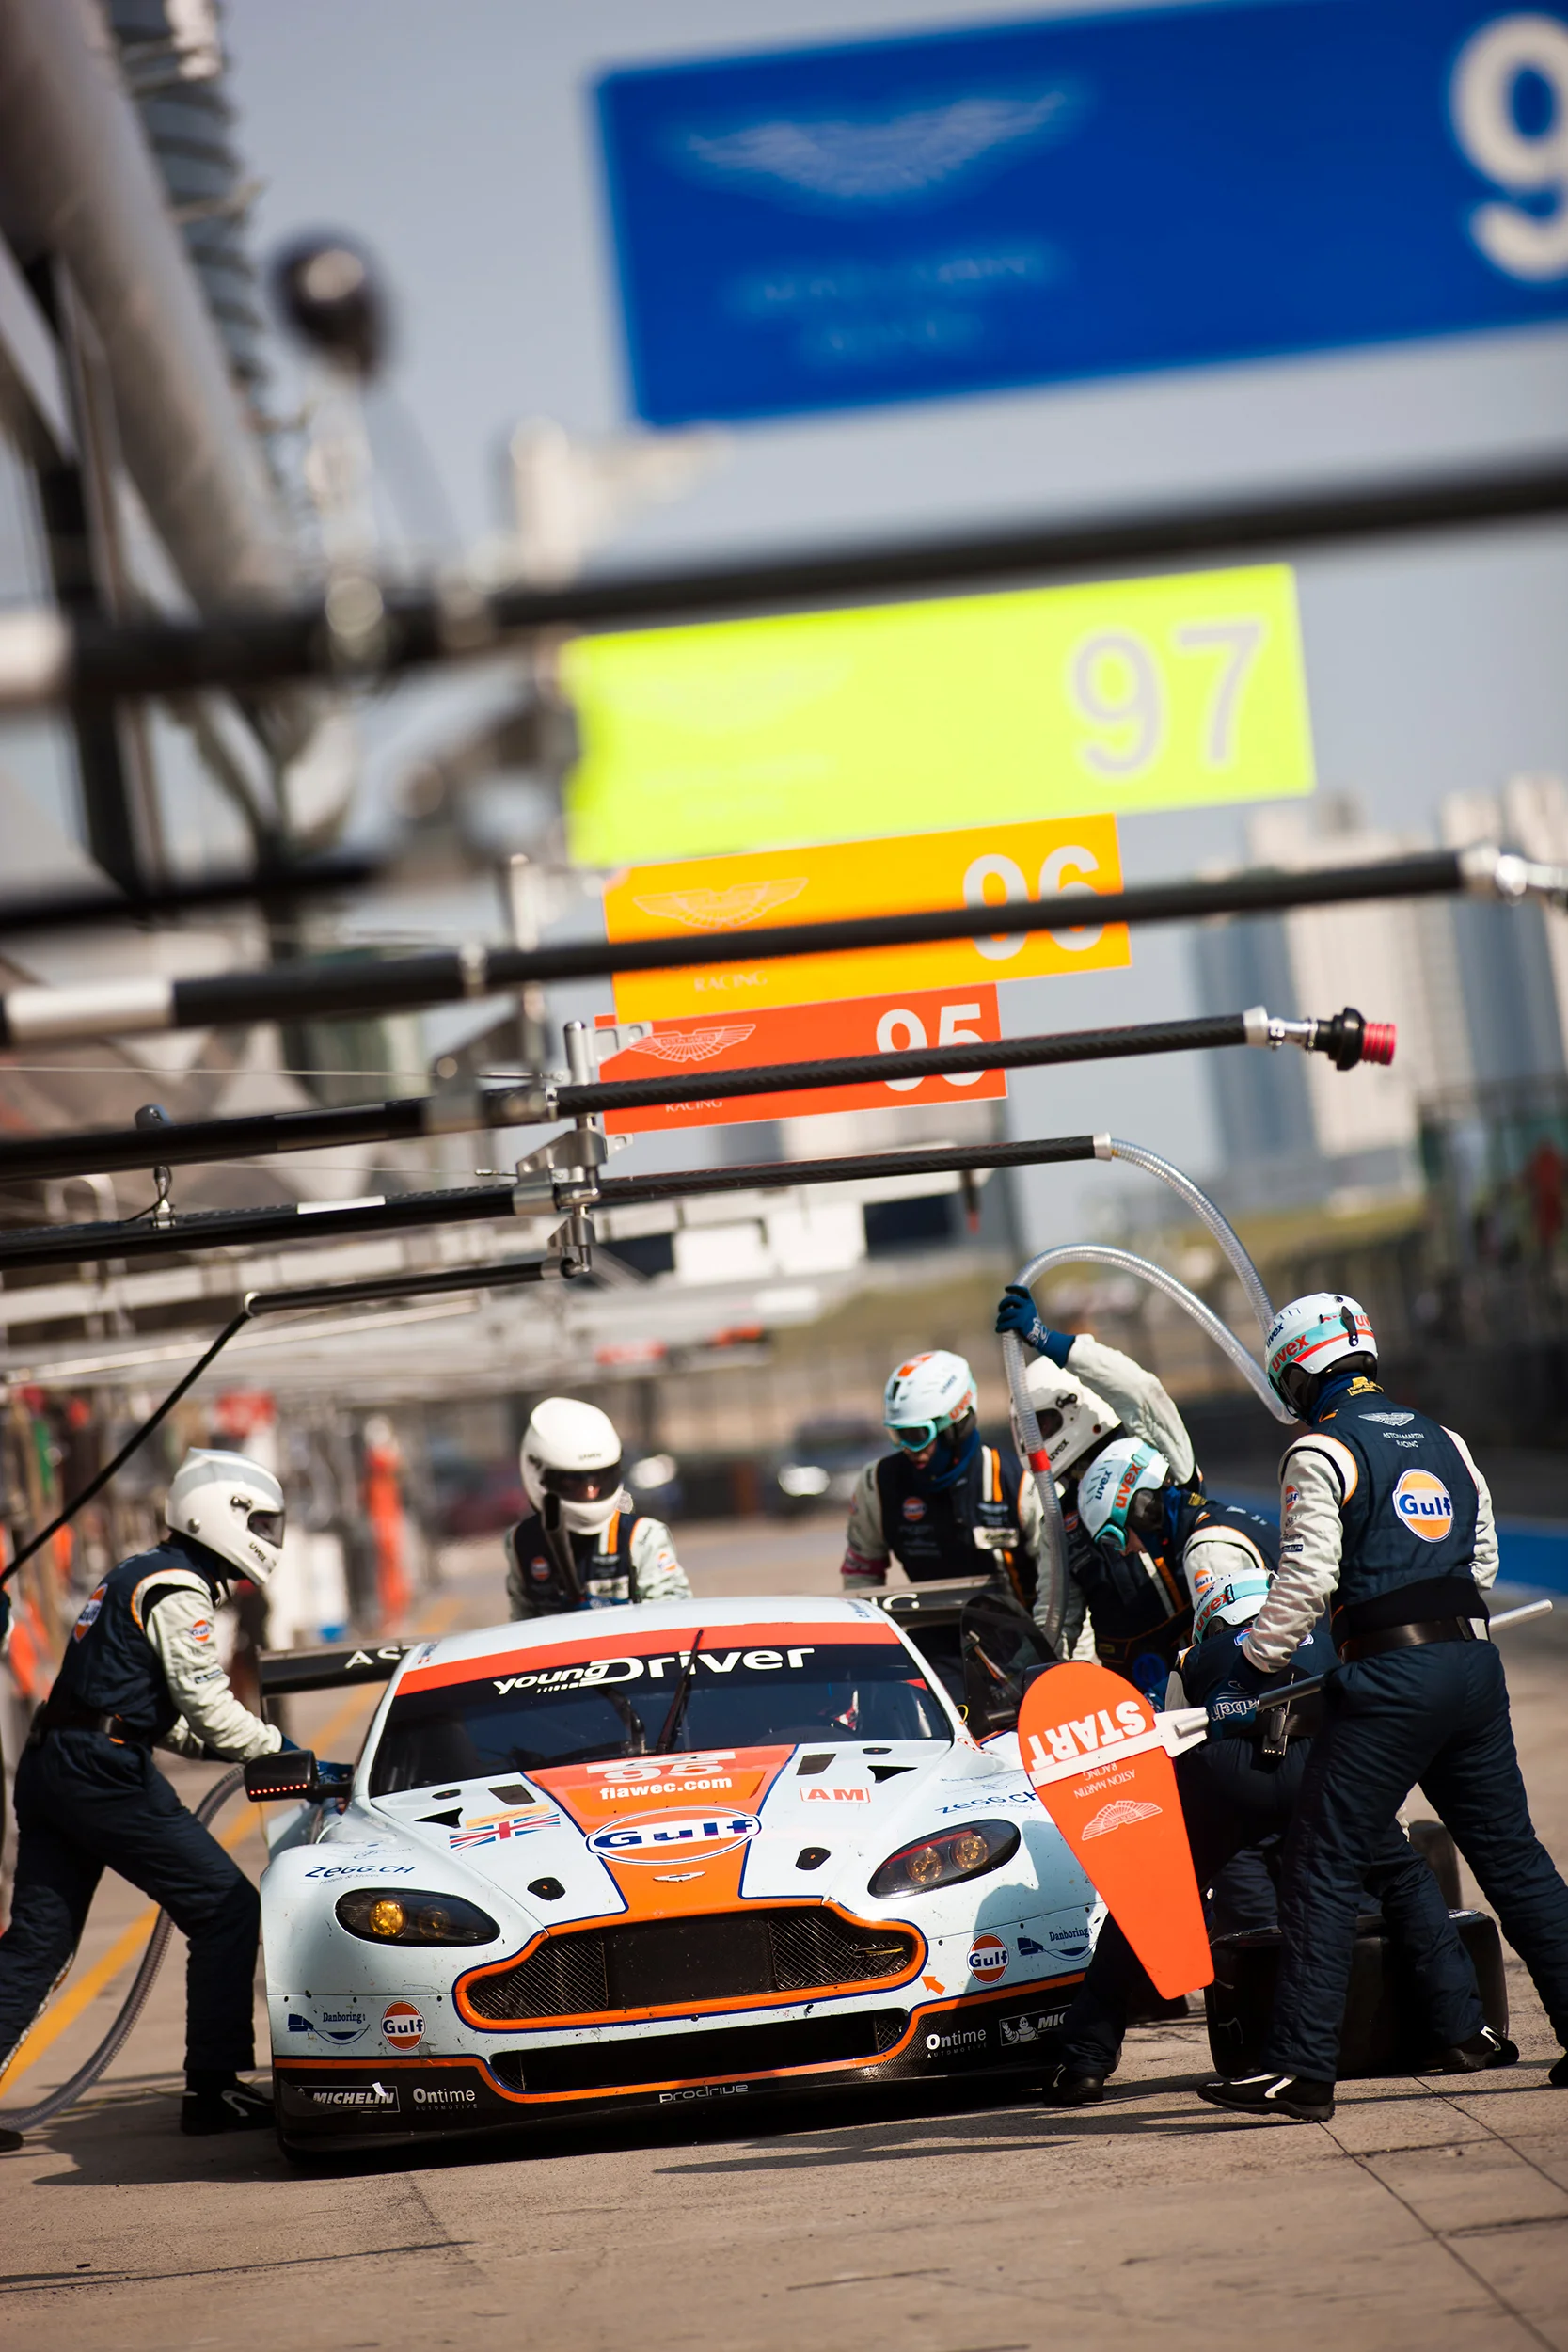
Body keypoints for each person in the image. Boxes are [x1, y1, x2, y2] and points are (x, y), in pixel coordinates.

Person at [1043, 1428, 1502, 2105]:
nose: (1132, 1553)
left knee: (1149, 1905)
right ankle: (1463, 2032)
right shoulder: (1317, 1637)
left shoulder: (1194, 1649)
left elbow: (1169, 1744)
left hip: (1222, 1775)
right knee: (1403, 1880)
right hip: (1323, 1756)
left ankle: (1083, 2060)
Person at [1199, 1292, 1568, 2122]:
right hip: (1472, 1666)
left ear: (1297, 1371)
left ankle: (1298, 2069)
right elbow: (1482, 1557)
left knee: (1323, 1864)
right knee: (1514, 1861)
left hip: (1389, 1683)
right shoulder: (1446, 1440)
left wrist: (1251, 1672)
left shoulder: (1319, 1452)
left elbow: (1301, 1582)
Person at [0, 1450, 289, 2139]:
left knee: (39, 1945)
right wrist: (282, 1750)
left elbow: (150, 1714)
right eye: (267, 1524)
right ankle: (213, 2088)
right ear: (226, 1515)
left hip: (56, 1763)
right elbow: (208, 1706)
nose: (273, 1540)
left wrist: (224, 1744)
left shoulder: (138, 1573)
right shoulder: (177, 1588)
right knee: (225, 1909)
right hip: (100, 1772)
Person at [995, 1292, 1201, 1683]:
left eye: (1040, 1426)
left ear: (1075, 1407)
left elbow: (1141, 1390)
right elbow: (1055, 1621)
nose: (1032, 1444)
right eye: (1025, 1432)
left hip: (1213, 1677)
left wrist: (1045, 1338)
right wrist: (1023, 1683)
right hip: (1133, 1702)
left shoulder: (1161, 1461)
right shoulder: (1060, 1522)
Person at [841, 1351, 1048, 1611]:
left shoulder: (1017, 1481)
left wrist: (1059, 1650)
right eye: (897, 1435)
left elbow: (1060, 1583)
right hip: (931, 1634)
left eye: (916, 1435)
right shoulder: (877, 1484)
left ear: (957, 1424)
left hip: (1022, 1639)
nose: (907, 1448)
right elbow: (860, 1577)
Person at [504, 1398, 691, 1617]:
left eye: (599, 1479)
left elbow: (677, 1618)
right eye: (574, 1483)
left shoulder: (643, 1537)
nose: (591, 1492)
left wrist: (609, 1613)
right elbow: (521, 1625)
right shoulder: (521, 1543)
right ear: (540, 1476)